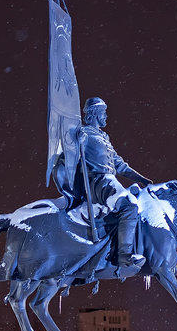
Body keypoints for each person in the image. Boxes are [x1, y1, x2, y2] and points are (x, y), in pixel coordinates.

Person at [56, 97, 153, 269]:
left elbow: (119, 165)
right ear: (93, 114)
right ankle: (124, 255)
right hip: (98, 183)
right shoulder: (84, 134)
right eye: (103, 112)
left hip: (111, 182)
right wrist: (75, 143)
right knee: (129, 205)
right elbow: (67, 158)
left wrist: (142, 179)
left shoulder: (103, 137)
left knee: (138, 199)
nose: (106, 116)